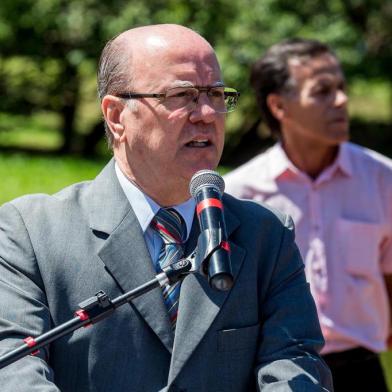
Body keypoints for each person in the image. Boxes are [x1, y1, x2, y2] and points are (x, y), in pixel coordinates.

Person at [0, 25, 332, 391]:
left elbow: (296, 364)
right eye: (182, 95)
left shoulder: (266, 235)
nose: (206, 112)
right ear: (116, 116)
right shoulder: (30, 233)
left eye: (216, 94)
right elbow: (15, 370)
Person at [224, 37, 392, 391]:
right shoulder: (241, 194)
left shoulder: (382, 178)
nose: (342, 101)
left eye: (342, 88)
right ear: (279, 106)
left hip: (364, 372)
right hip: (276, 375)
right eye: (323, 91)